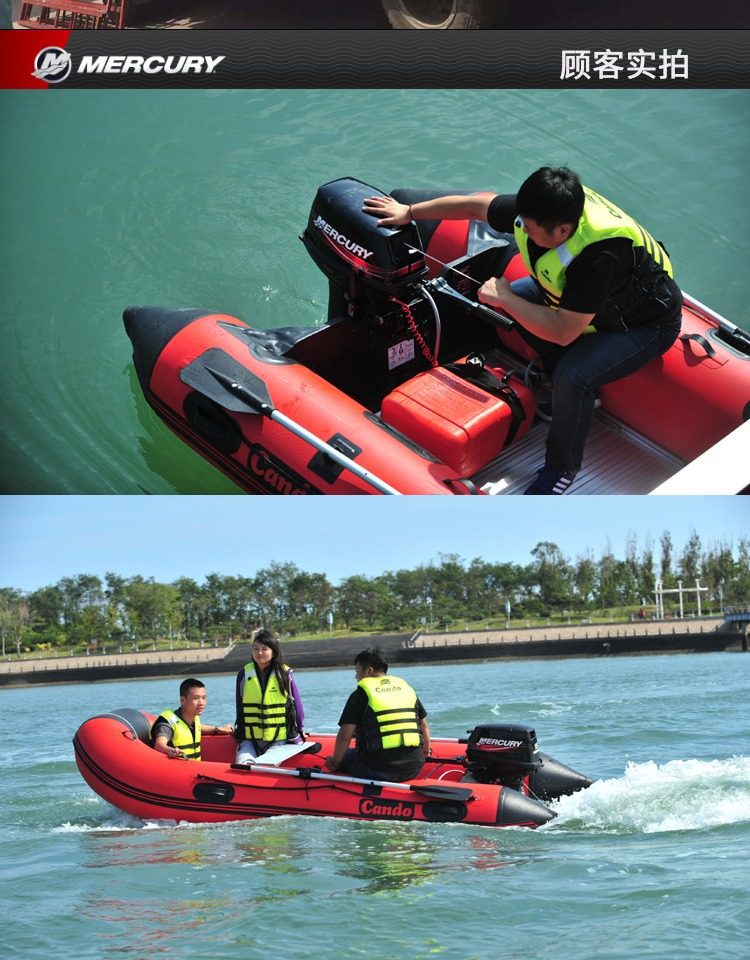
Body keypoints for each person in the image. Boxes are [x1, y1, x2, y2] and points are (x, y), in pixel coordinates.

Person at [363, 167, 683, 494]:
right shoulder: (542, 208)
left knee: (574, 376)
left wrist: (505, 297)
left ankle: (562, 468)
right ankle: (557, 382)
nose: (523, 232)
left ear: (563, 230)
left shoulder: (599, 256)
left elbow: (562, 332)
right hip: (585, 304)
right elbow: (473, 207)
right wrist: (409, 212)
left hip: (642, 324)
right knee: (511, 302)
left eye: (530, 230)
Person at [325, 647, 431, 782]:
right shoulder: (407, 690)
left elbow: (345, 736)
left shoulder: (360, 695)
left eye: (357, 671)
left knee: (344, 757)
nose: (356, 676)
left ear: (369, 671)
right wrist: (426, 751)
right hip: (414, 768)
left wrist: (334, 762)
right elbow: (424, 726)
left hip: (379, 770)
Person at [235, 629, 305, 764]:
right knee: (242, 766)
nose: (259, 653)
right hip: (251, 739)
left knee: (265, 765)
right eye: (256, 649)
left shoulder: (284, 674)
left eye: (264, 649)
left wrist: (300, 729)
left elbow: (297, 705)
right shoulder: (244, 674)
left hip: (278, 739)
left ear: (274, 652)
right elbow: (239, 706)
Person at [151, 677, 233, 761]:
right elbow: (159, 745)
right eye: (196, 698)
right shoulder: (168, 722)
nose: (201, 703)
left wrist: (218, 729)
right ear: (182, 700)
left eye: (204, 698)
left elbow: (199, 728)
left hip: (195, 766)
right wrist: (171, 750)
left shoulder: (194, 719)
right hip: (177, 766)